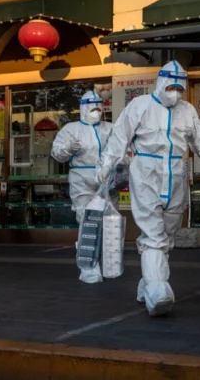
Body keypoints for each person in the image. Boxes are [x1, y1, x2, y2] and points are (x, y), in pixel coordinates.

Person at [96, 61, 200, 316]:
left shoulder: (187, 110)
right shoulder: (140, 106)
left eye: (180, 87)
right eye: (171, 86)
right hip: (146, 171)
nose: (175, 92)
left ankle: (147, 283)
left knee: (167, 235)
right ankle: (158, 290)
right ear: (160, 82)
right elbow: (120, 136)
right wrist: (107, 163)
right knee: (154, 233)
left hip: (175, 172)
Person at [52, 90, 118, 284]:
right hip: (82, 178)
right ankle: (88, 266)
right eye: (92, 108)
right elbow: (57, 153)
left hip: (107, 179)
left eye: (99, 108)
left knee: (108, 222)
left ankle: (107, 264)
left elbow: (122, 148)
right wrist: (67, 148)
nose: (96, 111)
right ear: (83, 109)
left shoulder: (110, 128)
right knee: (87, 221)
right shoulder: (71, 129)